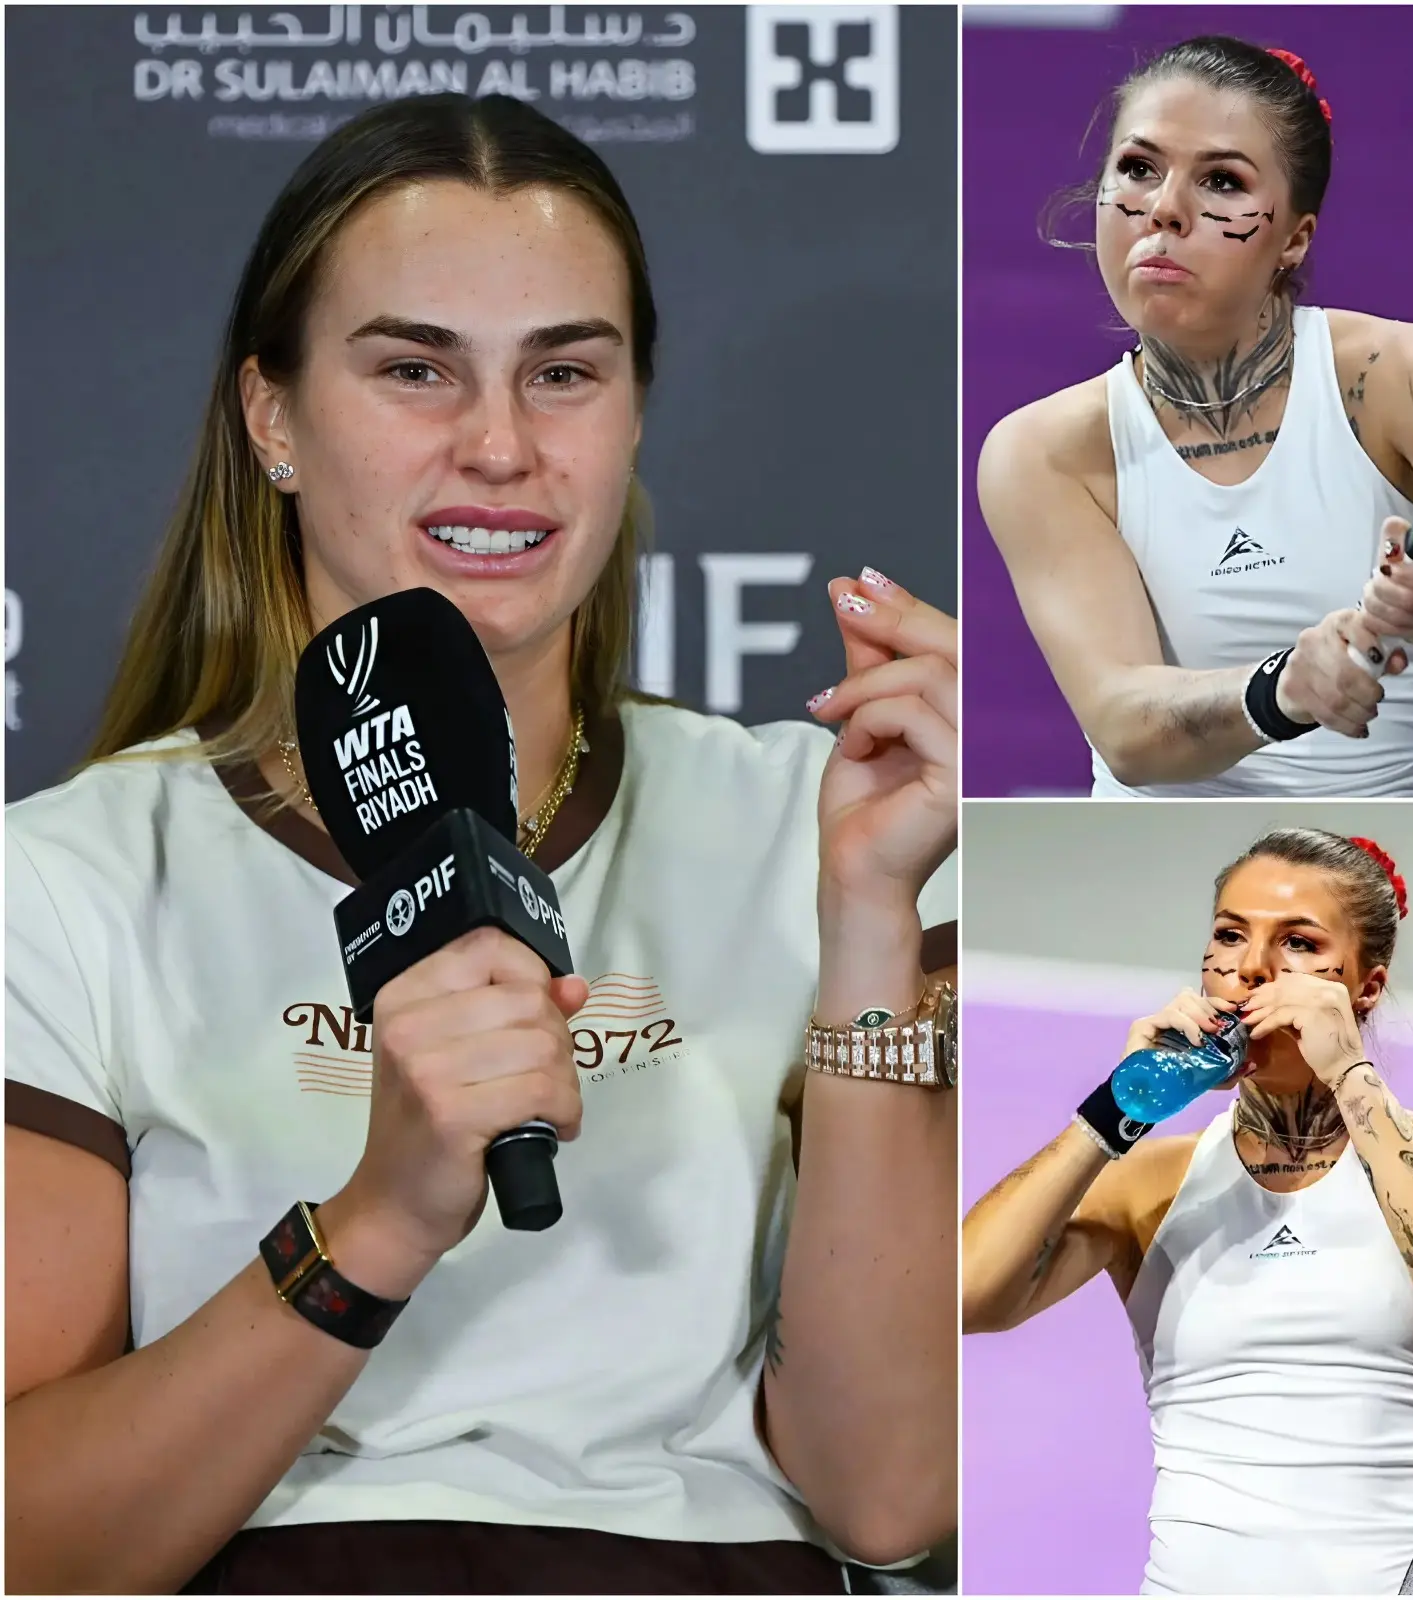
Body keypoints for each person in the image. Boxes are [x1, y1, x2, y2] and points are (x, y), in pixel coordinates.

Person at [5, 95, 958, 1595]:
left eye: (563, 373)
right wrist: (377, 1221)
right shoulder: (69, 879)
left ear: (632, 413)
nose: (501, 447)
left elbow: (889, 1499)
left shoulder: (830, 827)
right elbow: (32, 1542)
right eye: (414, 369)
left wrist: (869, 933)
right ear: (271, 418)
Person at [977, 36, 1413, 798]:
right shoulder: (1042, 450)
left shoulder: (1397, 375)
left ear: (1294, 239)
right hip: (1149, 860)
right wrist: (1283, 690)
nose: (1164, 209)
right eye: (1138, 168)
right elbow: (1125, 723)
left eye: (1222, 181)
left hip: (1407, 848)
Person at [963, 828, 1413, 1595]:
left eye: (1298, 943)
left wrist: (1349, 1071)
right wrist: (1115, 1107)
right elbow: (966, 1297)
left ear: (1365, 987)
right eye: (1230, 935)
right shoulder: (1151, 1181)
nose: (1252, 967)